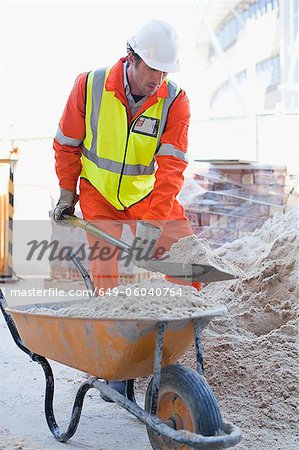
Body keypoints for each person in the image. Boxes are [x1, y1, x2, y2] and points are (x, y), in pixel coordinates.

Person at [52, 18, 201, 400]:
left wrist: (153, 224)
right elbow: (67, 144)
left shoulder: (174, 100)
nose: (158, 78)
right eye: (152, 68)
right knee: (107, 283)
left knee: (190, 263)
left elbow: (171, 168)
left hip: (148, 197)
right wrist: (68, 193)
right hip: (100, 196)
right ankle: (117, 367)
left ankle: (167, 357)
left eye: (165, 70)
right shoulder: (89, 86)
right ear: (131, 58)